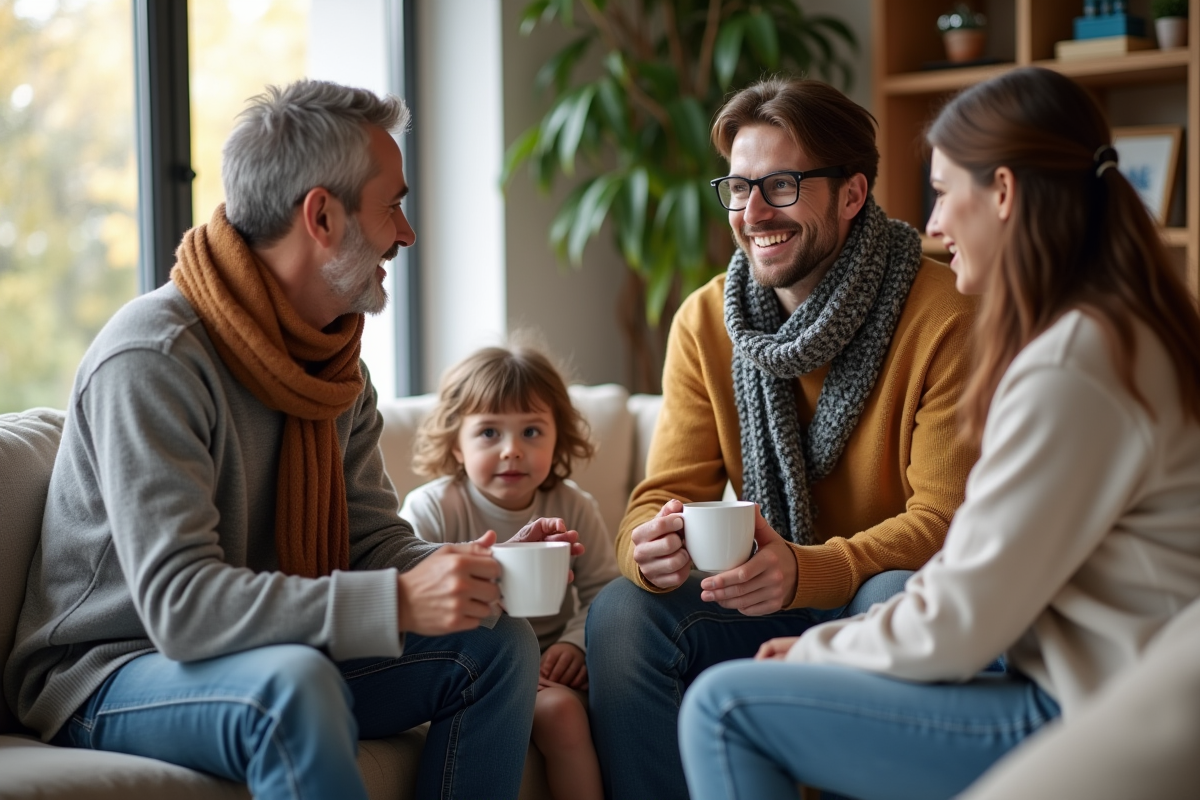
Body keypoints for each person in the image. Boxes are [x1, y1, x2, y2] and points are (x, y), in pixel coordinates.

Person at [3, 80, 581, 800]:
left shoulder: (337, 369)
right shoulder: (155, 357)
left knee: (496, 643)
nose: (406, 233)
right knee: (293, 686)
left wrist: (472, 568)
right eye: (392, 205)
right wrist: (398, 600)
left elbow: (374, 544)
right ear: (322, 216)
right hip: (111, 667)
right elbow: (181, 607)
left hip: (267, 647)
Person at [677, 65, 1200, 800]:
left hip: (1100, 704)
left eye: (945, 193)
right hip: (1094, 669)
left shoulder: (1073, 363)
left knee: (723, 706)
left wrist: (814, 653)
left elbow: (963, 610)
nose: (933, 226)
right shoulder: (1122, 330)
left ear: (1005, 194)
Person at [585, 77, 979, 799]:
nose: (754, 212)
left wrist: (807, 570)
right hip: (763, 590)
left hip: (873, 591)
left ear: (852, 194)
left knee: (897, 593)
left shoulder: (944, 316)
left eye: (783, 185)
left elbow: (947, 524)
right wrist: (649, 544)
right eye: (738, 188)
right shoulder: (705, 322)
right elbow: (662, 496)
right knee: (622, 613)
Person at [401, 340, 620, 800]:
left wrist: (573, 645)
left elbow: (605, 591)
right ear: (456, 445)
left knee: (560, 714)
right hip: (468, 667)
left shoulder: (573, 505)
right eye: (488, 433)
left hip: (548, 668)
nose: (512, 451)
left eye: (532, 432)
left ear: (558, 436)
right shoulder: (432, 508)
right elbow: (413, 598)